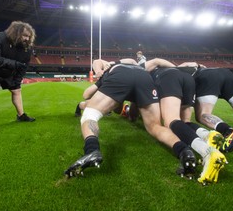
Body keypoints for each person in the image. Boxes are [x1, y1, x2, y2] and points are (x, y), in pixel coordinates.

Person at [65, 58, 197, 179]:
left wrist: (99, 72)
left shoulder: (111, 67)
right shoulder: (136, 64)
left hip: (120, 76)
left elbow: (87, 91)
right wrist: (178, 68)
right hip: (145, 78)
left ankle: (92, 150)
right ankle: (185, 151)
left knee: (90, 114)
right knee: (154, 126)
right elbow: (155, 61)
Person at [143, 58, 227, 184]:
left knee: (171, 121)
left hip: (169, 78)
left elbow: (156, 61)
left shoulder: (144, 69)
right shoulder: (171, 68)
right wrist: (176, 68)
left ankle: (207, 152)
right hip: (187, 78)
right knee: (185, 121)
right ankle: (206, 134)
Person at [0, 21, 36, 131]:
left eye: (29, 36)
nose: (27, 39)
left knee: (17, 91)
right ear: (16, 33)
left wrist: (17, 81)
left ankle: (21, 115)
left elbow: (23, 67)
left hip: (7, 69)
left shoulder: (27, 48)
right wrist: (14, 64)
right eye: (24, 35)